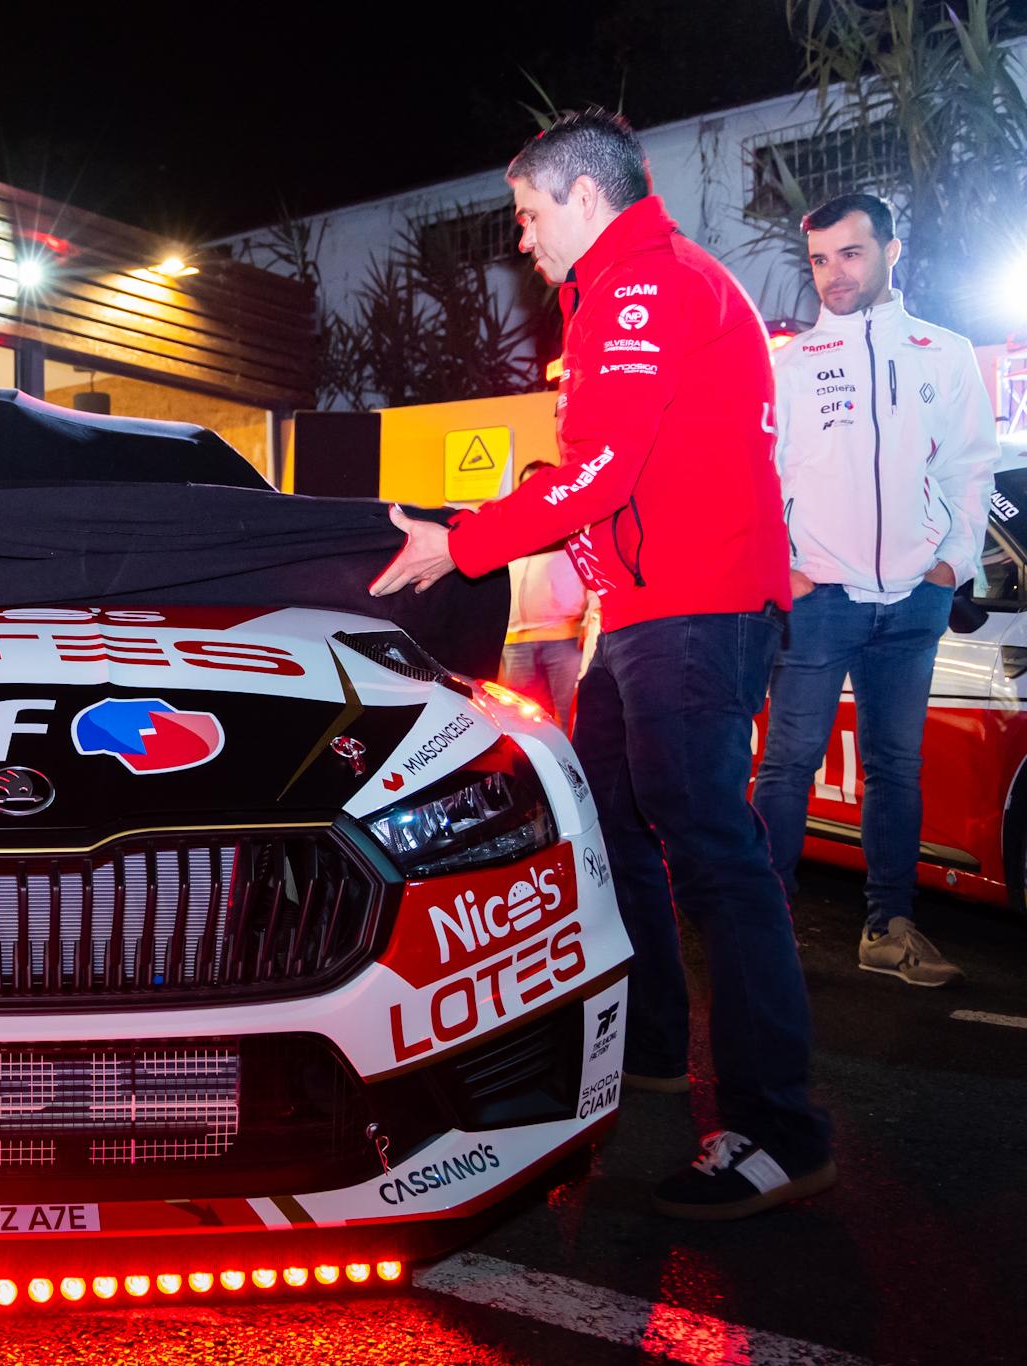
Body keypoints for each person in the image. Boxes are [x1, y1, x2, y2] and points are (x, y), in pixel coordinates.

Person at [370, 110, 834, 1220]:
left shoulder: (646, 285)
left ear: (582, 198)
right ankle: (660, 1047)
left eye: (527, 215)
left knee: (716, 856)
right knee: (612, 825)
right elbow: (606, 480)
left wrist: (460, 541)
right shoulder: (617, 293)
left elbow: (596, 477)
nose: (521, 241)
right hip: (639, 616)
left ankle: (780, 1127)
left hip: (693, 609)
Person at [753, 193, 997, 988]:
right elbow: (758, 481)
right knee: (786, 768)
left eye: (850, 254)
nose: (833, 275)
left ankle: (889, 928)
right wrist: (786, 569)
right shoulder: (790, 366)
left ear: (895, 251)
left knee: (897, 768)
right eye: (820, 260)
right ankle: (767, 925)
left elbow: (968, 471)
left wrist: (948, 569)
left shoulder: (944, 351)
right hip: (821, 599)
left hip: (914, 603)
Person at [500, 459, 593, 727]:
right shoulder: (508, 530)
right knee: (519, 724)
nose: (535, 490)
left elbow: (593, 572)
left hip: (565, 640)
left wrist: (587, 622)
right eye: (528, 485)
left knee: (570, 722)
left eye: (542, 482)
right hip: (515, 644)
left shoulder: (575, 523)